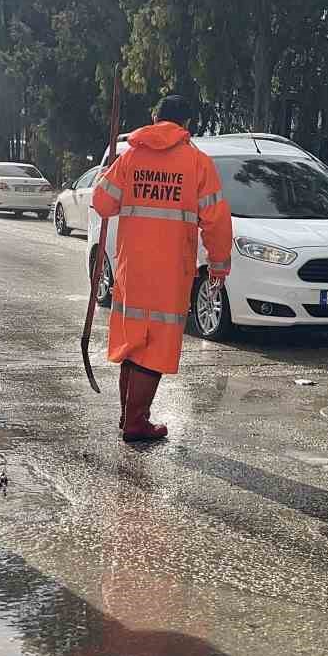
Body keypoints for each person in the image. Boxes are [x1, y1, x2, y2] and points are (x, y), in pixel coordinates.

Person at [92, 95, 233, 442]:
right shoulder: (197, 163)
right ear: (186, 125)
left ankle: (129, 416)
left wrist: (106, 169)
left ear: (156, 119)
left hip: (131, 269)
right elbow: (216, 221)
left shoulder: (131, 157)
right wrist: (218, 264)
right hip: (169, 273)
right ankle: (136, 422)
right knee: (153, 349)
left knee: (133, 343)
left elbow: (101, 203)